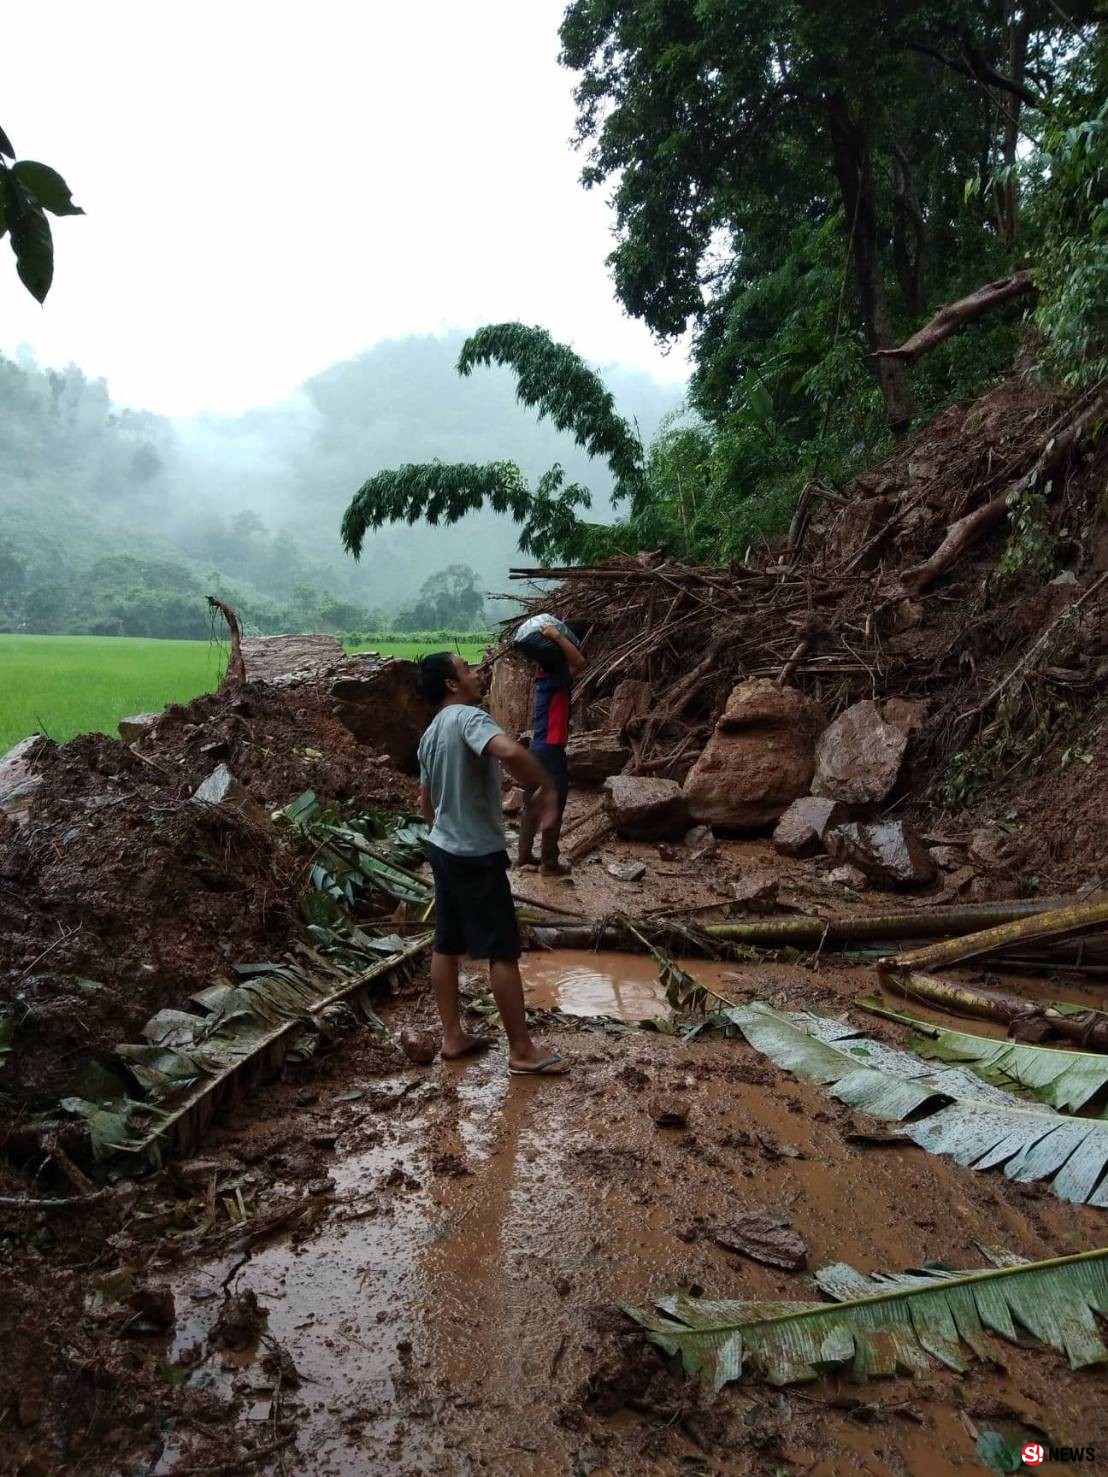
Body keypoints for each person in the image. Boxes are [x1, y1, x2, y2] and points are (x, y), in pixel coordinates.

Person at [415, 651, 570, 1077]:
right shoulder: (469, 718)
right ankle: (522, 1051)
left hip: (442, 849)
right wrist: (545, 785)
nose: (478, 673)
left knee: (446, 943)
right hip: (474, 854)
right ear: (451, 684)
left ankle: (452, 1036)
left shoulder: (429, 735)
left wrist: (447, 828)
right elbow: (508, 750)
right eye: (467, 669)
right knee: (502, 949)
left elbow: (425, 804)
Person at [517, 624, 586, 875]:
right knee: (555, 800)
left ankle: (523, 854)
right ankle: (549, 862)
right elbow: (579, 662)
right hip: (551, 749)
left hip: (538, 747)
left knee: (533, 802)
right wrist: (556, 635)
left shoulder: (543, 678)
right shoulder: (556, 679)